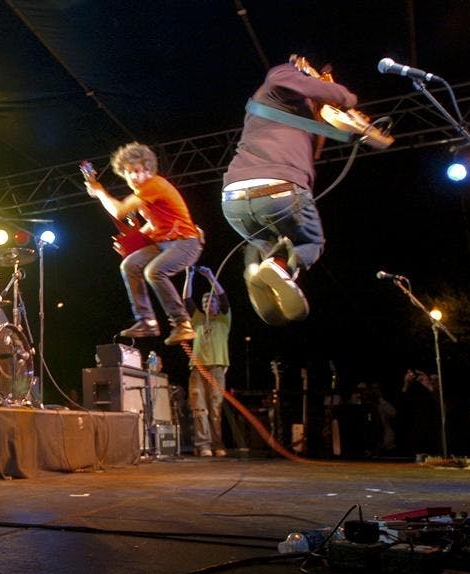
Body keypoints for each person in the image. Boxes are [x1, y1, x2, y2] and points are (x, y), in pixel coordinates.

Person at [221, 54, 358, 325]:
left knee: (268, 242)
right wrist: (345, 96)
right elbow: (282, 78)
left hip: (233, 201)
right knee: (310, 241)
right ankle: (275, 267)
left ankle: (255, 267)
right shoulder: (280, 78)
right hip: (278, 190)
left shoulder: (286, 110)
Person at [85, 142, 203, 345]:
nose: (135, 177)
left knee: (153, 271)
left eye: (139, 171)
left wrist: (100, 191)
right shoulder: (146, 192)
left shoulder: (153, 185)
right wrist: (132, 243)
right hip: (165, 243)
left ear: (148, 170)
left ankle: (182, 323)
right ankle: (146, 321)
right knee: (130, 265)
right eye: (130, 173)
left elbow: (119, 211)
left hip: (186, 243)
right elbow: (152, 223)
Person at [183, 265, 231, 457]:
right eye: (205, 302)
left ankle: (218, 444)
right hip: (198, 369)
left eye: (211, 301)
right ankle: (203, 445)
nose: (208, 304)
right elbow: (186, 300)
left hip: (217, 369)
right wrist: (189, 276)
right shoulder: (198, 321)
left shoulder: (224, 319)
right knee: (199, 408)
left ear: (217, 305)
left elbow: (224, 298)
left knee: (216, 408)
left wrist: (210, 276)